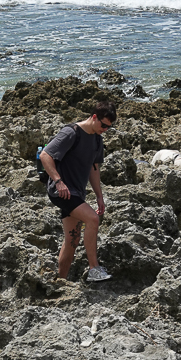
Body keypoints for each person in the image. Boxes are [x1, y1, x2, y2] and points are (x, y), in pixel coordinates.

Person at [39, 100, 116, 282]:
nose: (105, 130)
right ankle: (94, 269)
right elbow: (45, 155)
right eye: (103, 125)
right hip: (62, 191)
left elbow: (93, 168)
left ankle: (61, 282)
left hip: (77, 193)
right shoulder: (71, 132)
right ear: (94, 117)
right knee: (93, 219)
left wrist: (99, 196)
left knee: (72, 241)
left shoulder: (97, 139)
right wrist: (58, 181)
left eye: (109, 127)